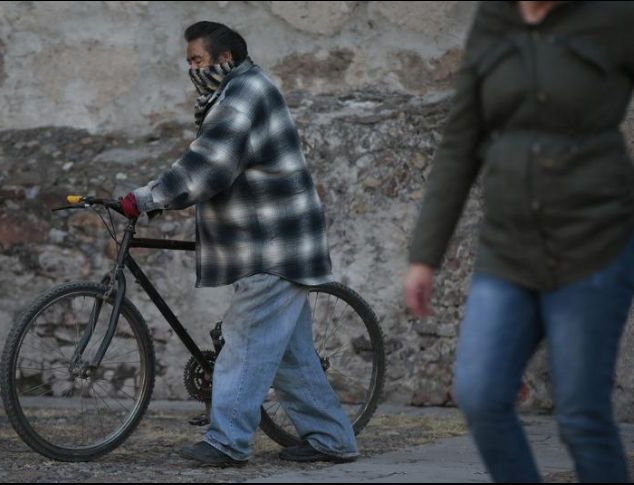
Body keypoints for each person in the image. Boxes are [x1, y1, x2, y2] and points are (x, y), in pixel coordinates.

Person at [404, 1, 634, 482]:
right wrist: (425, 256)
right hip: (507, 250)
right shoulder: (494, 19)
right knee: (480, 393)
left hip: (593, 245)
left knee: (581, 417)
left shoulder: (615, 16)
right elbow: (460, 141)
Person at [116, 21, 359, 466]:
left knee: (243, 342)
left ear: (224, 59)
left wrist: (147, 198)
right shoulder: (234, 91)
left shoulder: (244, 94)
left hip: (273, 244)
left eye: (198, 60)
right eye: (189, 62)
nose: (192, 70)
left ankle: (227, 442)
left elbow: (209, 165)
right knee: (291, 357)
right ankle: (332, 439)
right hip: (273, 242)